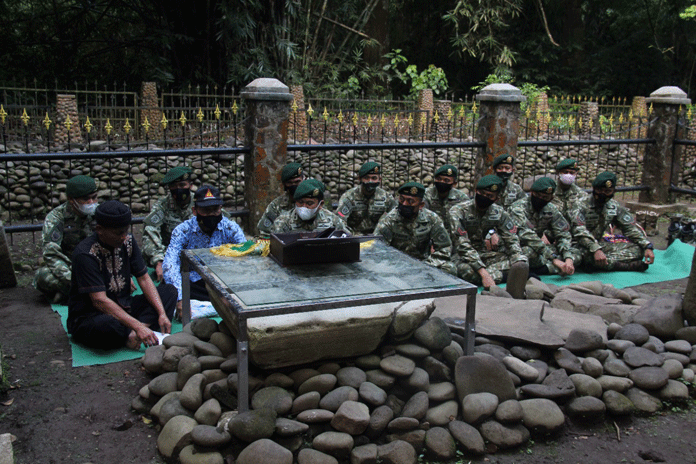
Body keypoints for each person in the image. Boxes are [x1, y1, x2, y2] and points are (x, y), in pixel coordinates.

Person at [67, 201, 177, 350]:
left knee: (169, 291)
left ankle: (134, 333)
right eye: (119, 233)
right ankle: (133, 332)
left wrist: (161, 313)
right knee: (105, 326)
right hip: (93, 315)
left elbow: (144, 279)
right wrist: (137, 325)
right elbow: (99, 301)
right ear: (99, 229)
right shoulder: (86, 254)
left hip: (125, 306)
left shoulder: (128, 242)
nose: (124, 237)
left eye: (126, 231)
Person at [163, 185, 246, 312]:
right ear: (194, 211)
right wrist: (181, 299)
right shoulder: (183, 231)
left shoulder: (230, 228)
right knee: (168, 290)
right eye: (206, 210)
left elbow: (245, 256)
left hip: (223, 281)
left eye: (215, 210)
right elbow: (170, 263)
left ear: (221, 208)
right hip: (195, 283)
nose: (211, 214)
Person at [447, 175, 528, 294]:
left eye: (490, 196)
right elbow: (462, 245)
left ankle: (505, 278)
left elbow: (512, 240)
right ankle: (502, 276)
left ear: (496, 198)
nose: (485, 197)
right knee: (466, 271)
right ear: (476, 191)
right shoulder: (458, 211)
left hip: (484, 254)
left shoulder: (499, 212)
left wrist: (518, 261)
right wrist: (484, 273)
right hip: (461, 256)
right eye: (482, 193)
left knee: (522, 259)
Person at [34, 175, 99, 303]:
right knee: (42, 276)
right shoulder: (56, 218)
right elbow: (51, 254)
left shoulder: (100, 213)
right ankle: (86, 292)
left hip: (96, 265)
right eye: (85, 199)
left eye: (94, 197)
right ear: (71, 199)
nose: (91, 202)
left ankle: (73, 294)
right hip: (70, 268)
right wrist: (73, 279)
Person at [572, 171, 655, 272]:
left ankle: (603, 264)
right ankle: (620, 265)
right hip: (578, 246)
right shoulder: (580, 205)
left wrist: (646, 245)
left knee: (638, 250)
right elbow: (579, 231)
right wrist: (595, 249)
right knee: (581, 257)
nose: (603, 194)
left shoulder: (613, 206)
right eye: (600, 190)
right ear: (594, 189)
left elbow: (630, 228)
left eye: (607, 191)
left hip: (599, 245)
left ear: (613, 191)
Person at [373, 181, 454, 272]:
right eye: (402, 199)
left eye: (410, 201)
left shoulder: (431, 219)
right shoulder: (389, 220)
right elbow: (377, 249)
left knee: (449, 268)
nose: (404, 204)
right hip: (395, 266)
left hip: (424, 264)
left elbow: (445, 247)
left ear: (421, 205)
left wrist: (428, 264)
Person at [509, 177, 583, 276]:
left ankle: (548, 268)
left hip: (542, 249)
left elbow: (563, 233)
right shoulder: (518, 208)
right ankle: (549, 268)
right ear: (532, 193)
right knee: (528, 253)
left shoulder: (550, 209)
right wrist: (553, 258)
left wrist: (568, 258)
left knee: (576, 253)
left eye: (545, 197)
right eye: (538, 195)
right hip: (520, 246)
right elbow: (526, 235)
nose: (541, 200)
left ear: (551, 198)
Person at [142, 166, 194, 282]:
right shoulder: (162, 206)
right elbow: (150, 231)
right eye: (173, 186)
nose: (178, 189)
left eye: (182, 185)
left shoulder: (200, 203)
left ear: (190, 185)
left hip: (196, 255)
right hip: (169, 257)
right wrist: (159, 260)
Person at [336, 161, 397, 235]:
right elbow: (339, 219)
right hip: (354, 238)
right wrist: (351, 235)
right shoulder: (349, 196)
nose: (370, 181)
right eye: (366, 178)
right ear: (359, 179)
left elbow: (395, 218)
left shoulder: (386, 197)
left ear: (379, 180)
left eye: (374, 178)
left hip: (378, 238)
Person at [271, 178, 350, 234]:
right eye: (300, 202)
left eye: (309, 203)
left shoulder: (333, 221)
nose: (304, 207)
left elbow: (347, 240)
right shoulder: (282, 222)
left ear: (320, 204)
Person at [257, 162, 306, 237]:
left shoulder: (312, 203)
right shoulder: (276, 206)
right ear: (284, 185)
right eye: (290, 183)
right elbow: (264, 234)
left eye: (297, 182)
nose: (294, 186)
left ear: (304, 180)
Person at [423, 164, 469, 231]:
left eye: (446, 180)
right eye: (439, 179)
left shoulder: (462, 198)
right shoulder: (426, 194)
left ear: (454, 184)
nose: (441, 182)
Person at [552, 158, 589, 223]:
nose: (568, 175)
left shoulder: (581, 195)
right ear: (558, 173)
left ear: (576, 174)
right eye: (565, 172)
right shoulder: (550, 191)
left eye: (572, 173)